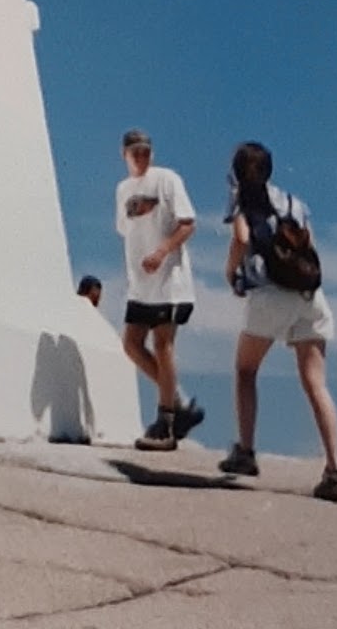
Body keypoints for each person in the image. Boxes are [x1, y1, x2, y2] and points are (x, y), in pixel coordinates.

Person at [220, 140, 337, 501]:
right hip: (308, 296)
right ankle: (334, 471)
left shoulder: (242, 201)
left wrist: (231, 273)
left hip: (270, 297)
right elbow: (310, 245)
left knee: (246, 370)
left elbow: (241, 239)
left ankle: (246, 451)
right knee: (316, 383)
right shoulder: (293, 203)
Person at [114, 129, 204, 450]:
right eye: (135, 152)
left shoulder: (167, 179)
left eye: (146, 151)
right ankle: (178, 402)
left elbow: (188, 223)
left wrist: (163, 250)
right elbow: (127, 230)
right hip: (141, 286)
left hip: (169, 281)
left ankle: (165, 424)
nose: (141, 157)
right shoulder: (123, 190)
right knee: (131, 344)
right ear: (124, 154)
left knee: (163, 343)